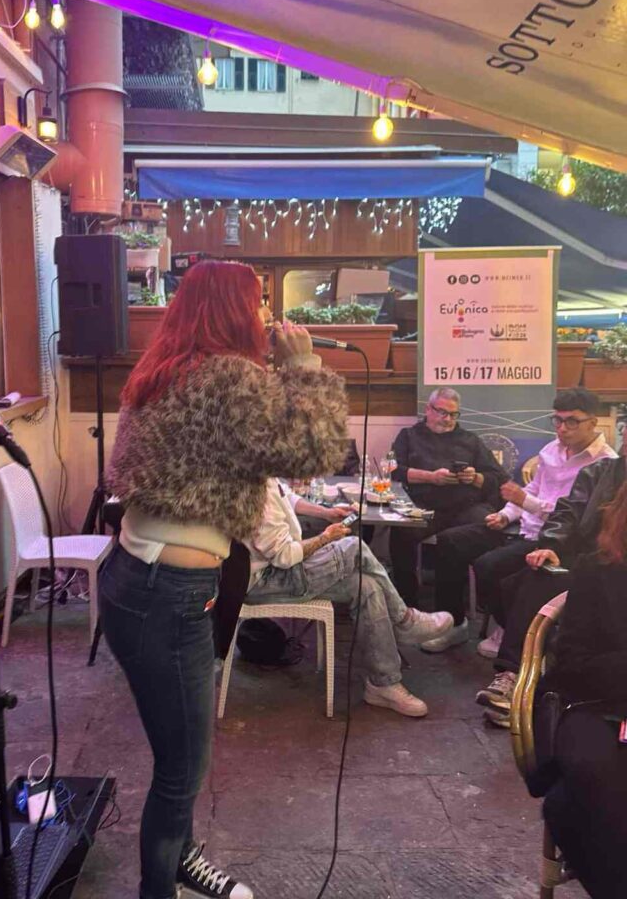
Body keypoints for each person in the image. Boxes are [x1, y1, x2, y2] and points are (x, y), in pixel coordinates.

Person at [100, 261, 348, 899]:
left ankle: (181, 857)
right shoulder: (229, 377)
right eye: (258, 301)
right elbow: (313, 454)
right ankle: (159, 886)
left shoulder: (165, 370)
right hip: (170, 594)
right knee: (181, 767)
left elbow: (249, 448)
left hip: (137, 580)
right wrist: (305, 366)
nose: (267, 313)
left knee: (180, 748)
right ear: (232, 310)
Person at [427, 389, 615, 658]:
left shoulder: (605, 464)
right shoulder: (552, 449)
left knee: (488, 566)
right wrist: (506, 514)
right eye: (558, 420)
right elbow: (532, 489)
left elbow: (576, 520)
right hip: (522, 526)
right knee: (450, 542)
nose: (562, 428)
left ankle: (512, 628)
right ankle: (454, 624)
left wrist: (524, 501)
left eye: (572, 421)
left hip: (553, 540)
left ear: (593, 422)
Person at [244, 479, 454, 716]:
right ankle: (405, 621)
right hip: (266, 581)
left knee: (366, 585)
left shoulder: (265, 475)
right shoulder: (253, 486)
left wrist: (325, 512)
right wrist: (325, 537)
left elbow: (288, 497)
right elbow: (284, 556)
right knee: (353, 547)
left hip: (279, 569)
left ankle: (382, 684)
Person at [477, 450, 626, 728]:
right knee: (528, 576)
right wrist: (551, 545)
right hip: (588, 562)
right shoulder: (599, 471)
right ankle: (514, 676)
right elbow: (567, 512)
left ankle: (527, 680)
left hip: (614, 570)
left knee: (529, 584)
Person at [540, 478, 627, 898]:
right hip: (597, 703)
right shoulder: (597, 569)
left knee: (569, 805)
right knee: (594, 777)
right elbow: (572, 664)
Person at [388, 387, 508, 649]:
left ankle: (462, 617)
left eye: (454, 415)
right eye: (442, 412)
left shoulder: (470, 440)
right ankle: (408, 611)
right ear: (428, 409)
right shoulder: (409, 436)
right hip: (425, 506)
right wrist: (430, 477)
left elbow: (499, 479)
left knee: (477, 533)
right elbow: (394, 471)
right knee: (400, 532)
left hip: (467, 506)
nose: (448, 420)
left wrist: (475, 478)